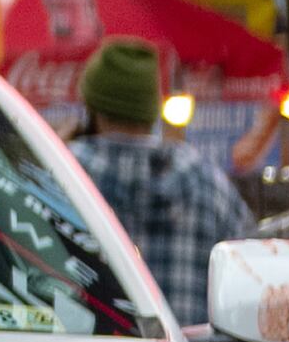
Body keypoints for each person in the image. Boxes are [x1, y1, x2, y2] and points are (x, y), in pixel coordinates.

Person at [63, 39, 253, 316]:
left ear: (93, 109)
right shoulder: (209, 183)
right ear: (150, 111)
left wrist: (52, 149)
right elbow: (250, 282)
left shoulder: (65, 174)